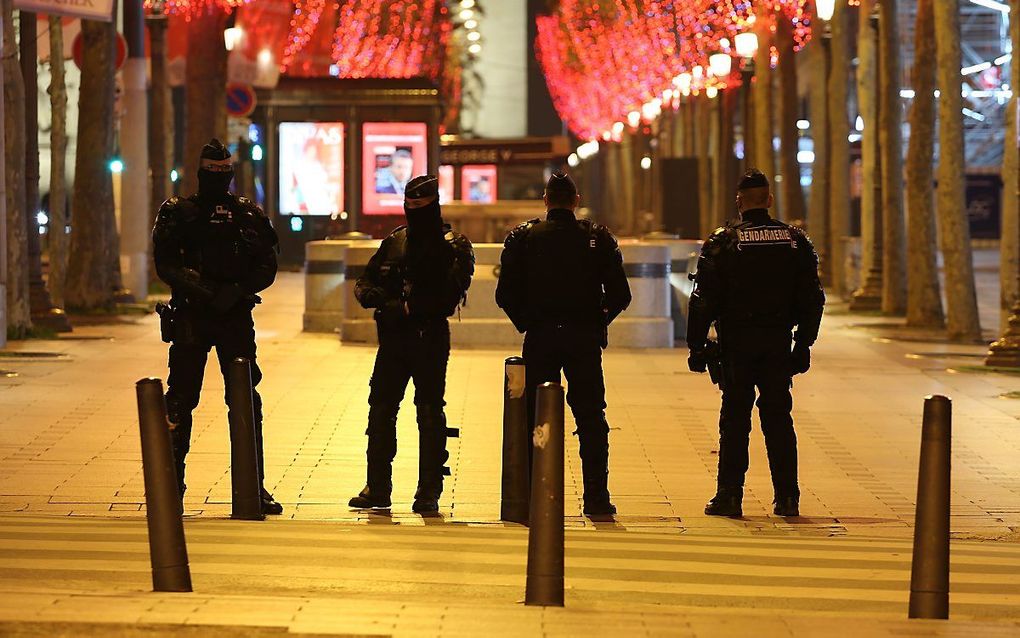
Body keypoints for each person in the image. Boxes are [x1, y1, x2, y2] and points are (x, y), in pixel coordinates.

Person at [152, 139, 283, 515]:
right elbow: (165, 264)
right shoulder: (179, 212)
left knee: (244, 398)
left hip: (234, 317)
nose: (218, 180)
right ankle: (170, 487)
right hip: (193, 314)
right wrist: (206, 291)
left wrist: (237, 290)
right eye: (213, 174)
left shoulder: (247, 214)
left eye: (222, 174)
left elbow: (267, 265)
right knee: (179, 400)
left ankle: (252, 487)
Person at [686, 169, 825, 518]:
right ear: (769, 200)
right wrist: (804, 343)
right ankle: (787, 498)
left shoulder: (724, 242)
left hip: (737, 343)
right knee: (779, 418)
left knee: (734, 418)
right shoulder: (795, 240)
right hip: (777, 340)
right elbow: (813, 298)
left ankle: (729, 496)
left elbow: (702, 299)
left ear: (739, 201)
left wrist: (696, 346)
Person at [495, 171, 631, 517]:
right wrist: (597, 320)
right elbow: (620, 294)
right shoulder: (597, 238)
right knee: (590, 416)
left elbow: (504, 293)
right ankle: (596, 497)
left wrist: (526, 321)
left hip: (539, 337)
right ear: (575, 202)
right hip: (582, 337)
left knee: (534, 415)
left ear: (545, 201)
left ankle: (530, 496)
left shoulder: (524, 238)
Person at [349, 175, 475, 514]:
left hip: (429, 338)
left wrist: (406, 307)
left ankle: (429, 489)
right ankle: (377, 487)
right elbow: (366, 280)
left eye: (421, 206)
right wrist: (375, 299)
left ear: (433, 204)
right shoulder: (396, 241)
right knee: (381, 409)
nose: (414, 211)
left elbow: (448, 295)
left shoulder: (453, 245)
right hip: (393, 340)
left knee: (430, 412)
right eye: (409, 205)